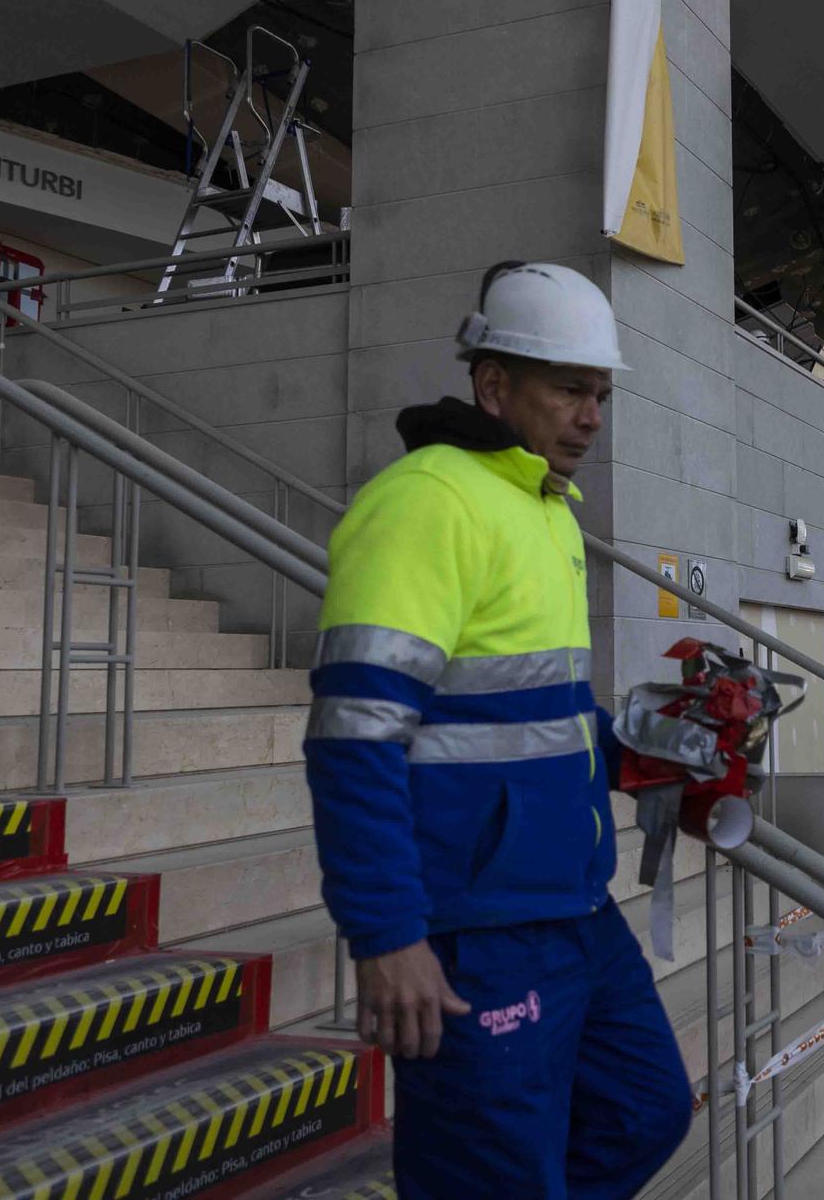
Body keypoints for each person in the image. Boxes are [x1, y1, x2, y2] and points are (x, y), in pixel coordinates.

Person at [304, 261, 691, 1197]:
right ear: (492, 384)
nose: (592, 415)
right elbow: (354, 737)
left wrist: (640, 750)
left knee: (648, 1107)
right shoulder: (428, 501)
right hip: (473, 933)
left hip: (572, 911)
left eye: (599, 393)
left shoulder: (541, 506)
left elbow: (527, 709)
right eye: (568, 389)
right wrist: (387, 934)